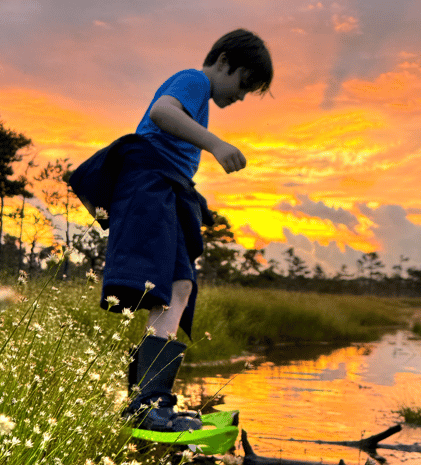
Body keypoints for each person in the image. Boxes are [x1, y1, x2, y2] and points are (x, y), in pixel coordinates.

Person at [68, 29, 273, 433]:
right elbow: (162, 112)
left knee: (179, 287)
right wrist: (215, 145)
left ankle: (148, 403)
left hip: (166, 190)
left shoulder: (202, 96)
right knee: (167, 287)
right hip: (149, 185)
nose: (242, 96)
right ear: (226, 61)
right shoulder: (194, 80)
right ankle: (148, 404)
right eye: (245, 83)